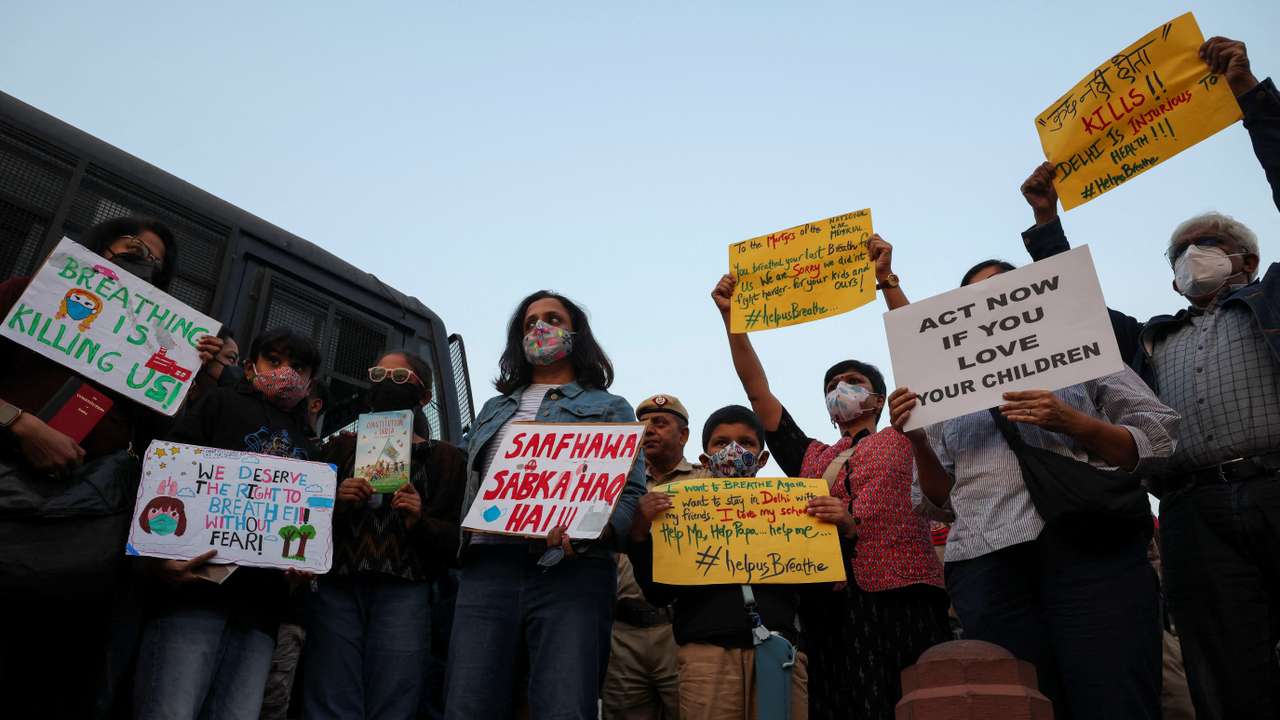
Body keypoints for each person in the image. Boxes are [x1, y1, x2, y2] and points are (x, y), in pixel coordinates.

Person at [1017, 35, 1280, 719]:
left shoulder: (1272, 301)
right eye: (1183, 252)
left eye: (1213, 246)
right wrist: (1048, 223)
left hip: (1276, 484)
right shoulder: (1149, 337)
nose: (1197, 257)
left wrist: (1251, 95)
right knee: (1225, 668)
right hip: (1192, 511)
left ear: (1247, 260)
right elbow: (1075, 309)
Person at [888, 258, 1181, 719]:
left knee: (1115, 698)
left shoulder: (1083, 353)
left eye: (1004, 292)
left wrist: (1072, 420)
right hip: (986, 567)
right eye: (975, 299)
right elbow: (939, 502)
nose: (990, 306)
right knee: (1014, 704)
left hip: (1090, 550)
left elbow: (1157, 436)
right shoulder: (940, 396)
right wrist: (919, 441)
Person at [711, 237, 950, 719]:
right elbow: (758, 394)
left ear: (881, 399)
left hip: (905, 596)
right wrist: (731, 319)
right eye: (831, 387)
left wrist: (887, 281)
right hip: (832, 604)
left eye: (854, 383)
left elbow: (926, 355)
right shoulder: (813, 456)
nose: (840, 391)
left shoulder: (909, 432)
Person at [0, 216, 220, 718]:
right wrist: (20, 425)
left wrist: (198, 375)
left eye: (156, 261)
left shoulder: (154, 348)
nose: (143, 257)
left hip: (76, 535)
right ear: (101, 246)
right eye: (131, 245)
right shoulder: (28, 294)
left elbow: (164, 445)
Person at [445, 290, 648, 720]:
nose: (540, 328)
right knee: (469, 704)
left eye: (553, 318)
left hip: (570, 571)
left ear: (576, 334)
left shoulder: (610, 408)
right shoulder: (492, 410)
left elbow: (628, 493)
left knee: (563, 705)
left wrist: (595, 531)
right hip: (487, 568)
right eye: (530, 323)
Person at [132, 326, 321, 720]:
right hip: (195, 593)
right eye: (275, 360)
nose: (285, 372)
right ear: (251, 367)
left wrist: (302, 566)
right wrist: (157, 558)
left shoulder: (310, 446)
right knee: (171, 709)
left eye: (297, 367)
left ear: (309, 382)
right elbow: (168, 477)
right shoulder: (219, 403)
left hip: (262, 608)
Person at [629, 405, 859, 720]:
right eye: (721, 443)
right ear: (705, 458)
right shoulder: (678, 511)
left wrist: (844, 532)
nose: (734, 450)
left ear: (763, 458)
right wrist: (640, 535)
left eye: (747, 443)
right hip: (706, 655)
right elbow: (658, 593)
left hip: (780, 652)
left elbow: (823, 589)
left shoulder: (793, 510)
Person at [301, 351, 466, 719]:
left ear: (424, 397)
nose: (386, 384)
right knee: (329, 696)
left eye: (399, 378)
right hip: (338, 587)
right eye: (379, 375)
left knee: (394, 698)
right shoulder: (339, 446)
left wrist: (419, 520)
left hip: (405, 590)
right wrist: (338, 502)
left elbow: (459, 540)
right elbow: (301, 517)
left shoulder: (445, 457)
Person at [603, 393, 700, 720]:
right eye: (642, 424)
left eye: (659, 423)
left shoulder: (706, 482)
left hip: (680, 631)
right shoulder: (613, 484)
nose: (648, 430)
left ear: (684, 435)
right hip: (621, 634)